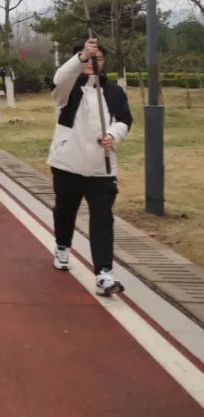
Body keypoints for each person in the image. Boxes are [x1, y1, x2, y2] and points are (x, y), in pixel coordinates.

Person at [48, 38, 132, 296]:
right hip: (68, 163)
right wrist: (82, 56)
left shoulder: (114, 91)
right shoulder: (67, 88)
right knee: (65, 210)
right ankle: (62, 247)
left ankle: (104, 272)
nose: (92, 63)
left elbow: (124, 119)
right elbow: (59, 79)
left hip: (101, 167)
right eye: (87, 58)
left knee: (103, 218)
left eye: (98, 59)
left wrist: (113, 135)